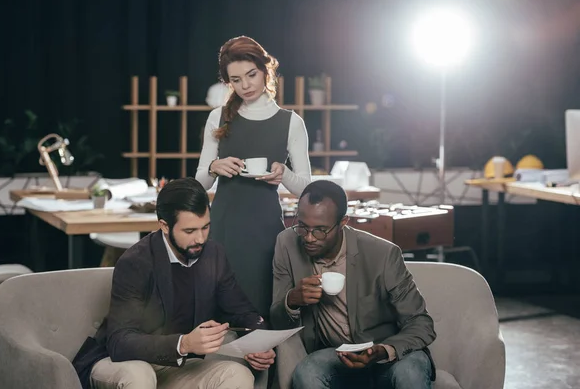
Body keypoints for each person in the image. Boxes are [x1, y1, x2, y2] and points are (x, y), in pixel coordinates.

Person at [72, 178, 276, 389]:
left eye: (205, 227)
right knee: (139, 376)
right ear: (164, 226)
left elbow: (242, 311)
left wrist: (259, 342)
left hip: (178, 364)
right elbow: (120, 342)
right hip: (122, 362)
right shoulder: (136, 262)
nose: (200, 239)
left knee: (237, 375)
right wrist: (184, 343)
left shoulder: (214, 255)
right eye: (189, 231)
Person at [270, 180, 437, 389]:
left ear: (343, 222)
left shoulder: (382, 254)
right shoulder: (286, 243)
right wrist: (292, 300)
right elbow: (277, 320)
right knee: (308, 372)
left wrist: (385, 350)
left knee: (411, 371)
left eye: (320, 230)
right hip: (337, 354)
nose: (309, 238)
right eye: (303, 227)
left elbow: (422, 324)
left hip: (386, 352)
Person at [196, 36, 311, 317]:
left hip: (265, 232)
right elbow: (198, 184)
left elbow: (307, 189)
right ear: (228, 82)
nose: (245, 85)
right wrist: (213, 167)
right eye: (235, 80)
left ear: (265, 71)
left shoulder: (291, 123)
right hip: (222, 227)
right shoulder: (218, 117)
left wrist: (283, 174)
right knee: (218, 309)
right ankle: (222, 362)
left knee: (261, 308)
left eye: (251, 75)